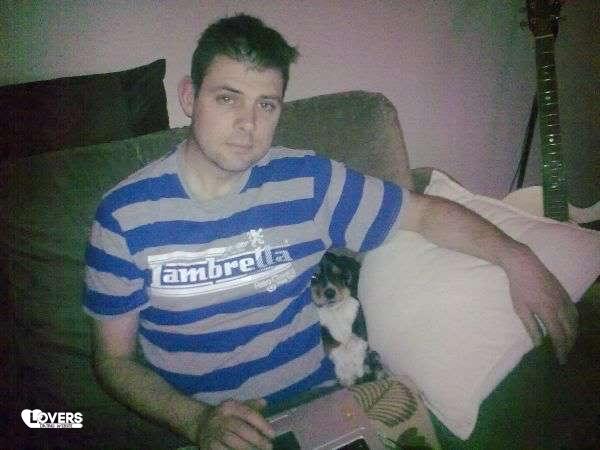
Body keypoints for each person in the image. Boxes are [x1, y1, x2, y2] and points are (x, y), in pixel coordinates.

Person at [84, 14, 578, 450]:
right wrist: (196, 422)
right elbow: (114, 360)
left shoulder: (307, 182)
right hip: (211, 428)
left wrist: (518, 258)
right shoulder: (124, 217)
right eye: (227, 98)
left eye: (266, 105)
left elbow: (424, 213)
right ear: (190, 97)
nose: (247, 124)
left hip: (321, 405)